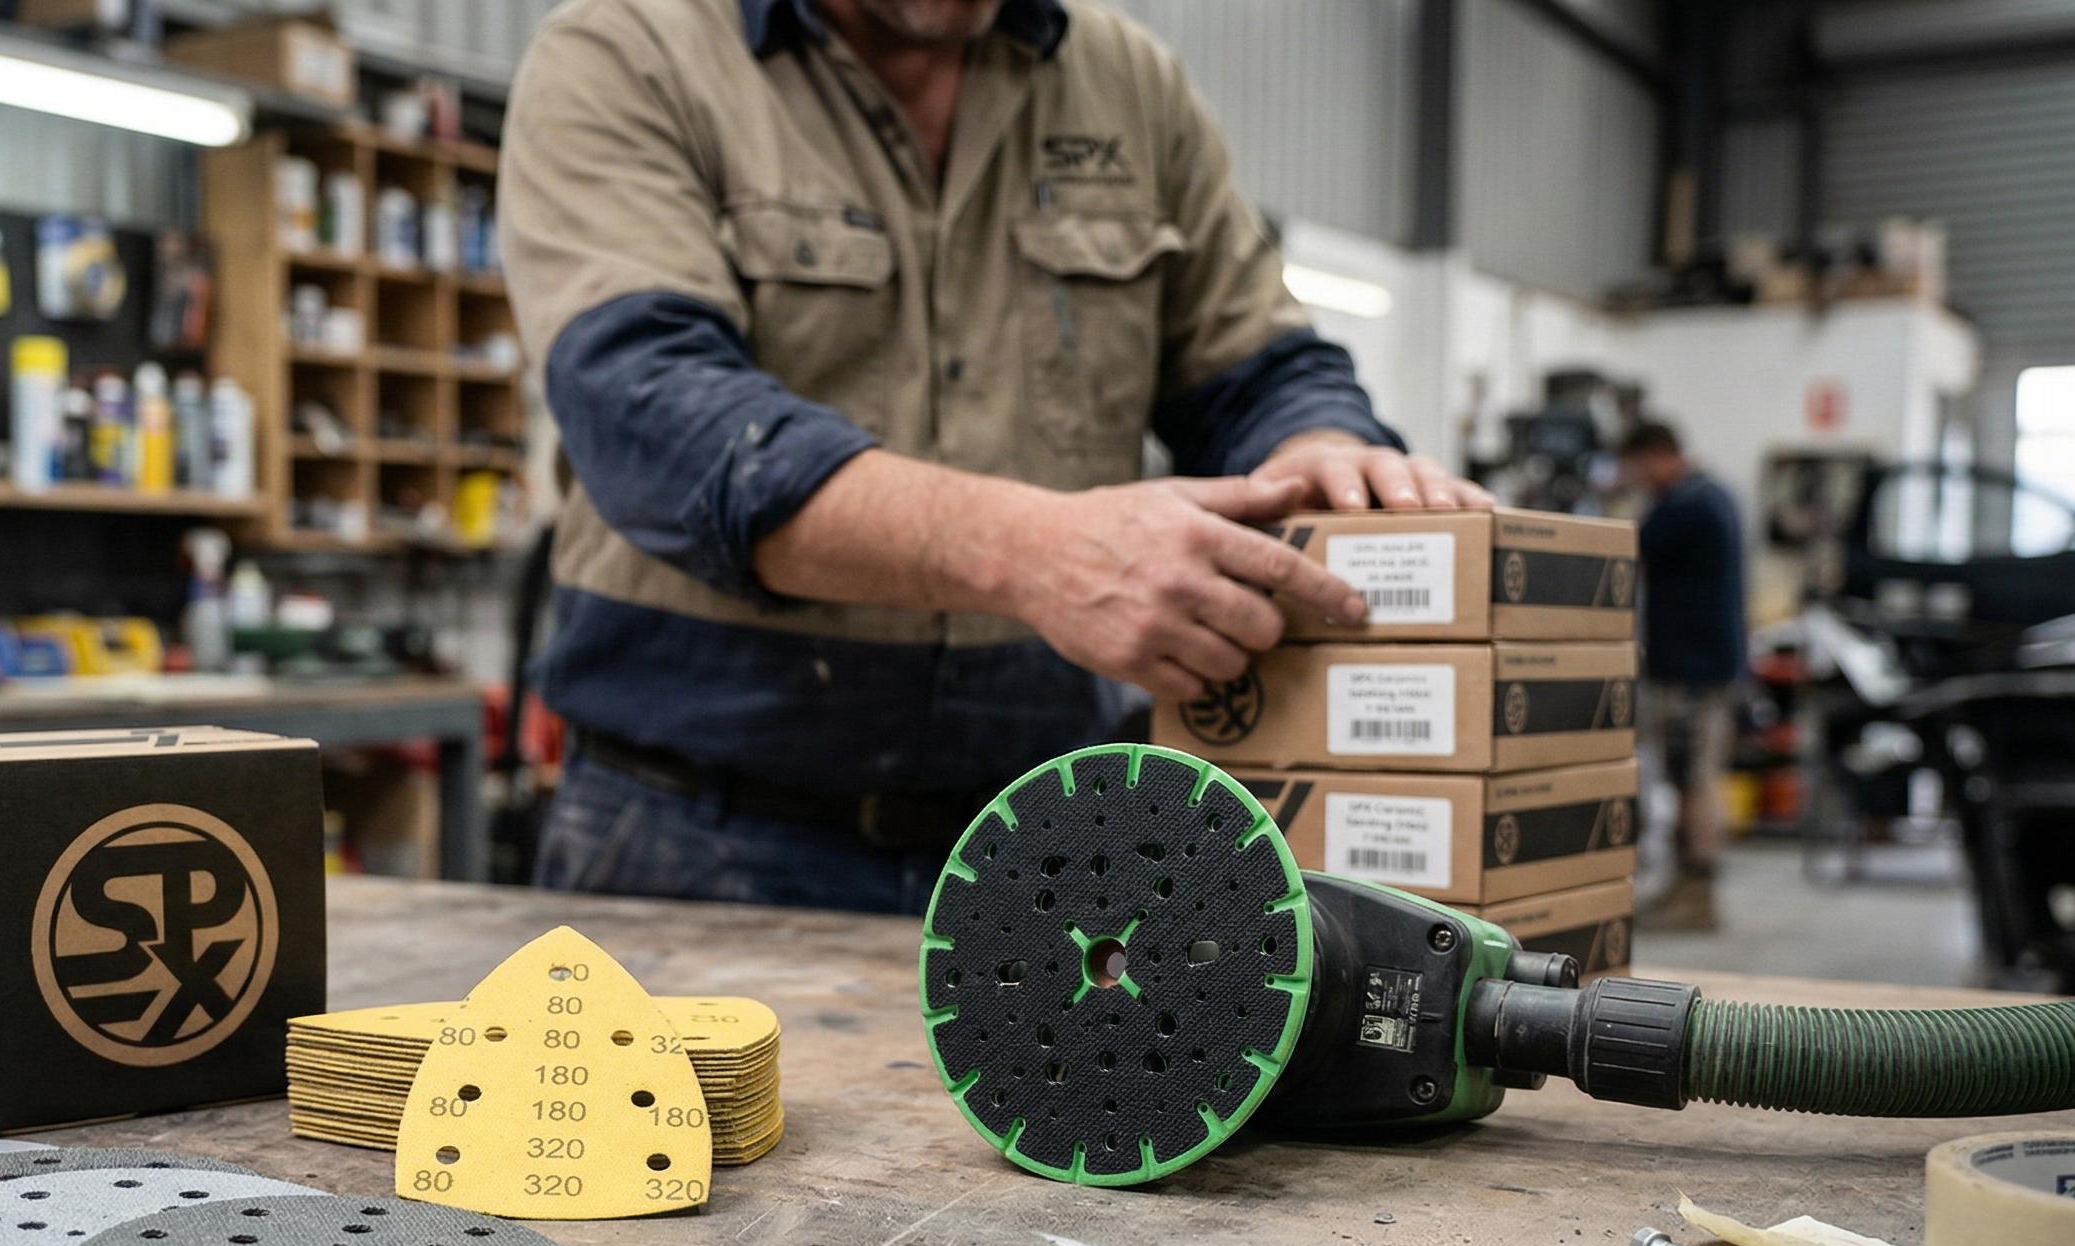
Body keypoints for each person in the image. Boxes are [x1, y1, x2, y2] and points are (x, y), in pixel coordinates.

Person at [500, 0, 1489, 914]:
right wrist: (1030, 551)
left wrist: (1319, 445)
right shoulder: (634, 52)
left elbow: (1256, 368)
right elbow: (657, 422)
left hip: (1057, 843)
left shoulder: (1128, 82)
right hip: (695, 834)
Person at [1615, 420, 1748, 933]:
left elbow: (1627, 549)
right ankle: (1686, 887)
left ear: (1657, 454)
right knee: (1690, 778)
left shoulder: (1686, 505)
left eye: (1635, 466)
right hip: (1704, 665)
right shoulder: (1711, 494)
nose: (1633, 477)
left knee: (1694, 780)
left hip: (1695, 672)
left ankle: (1697, 894)